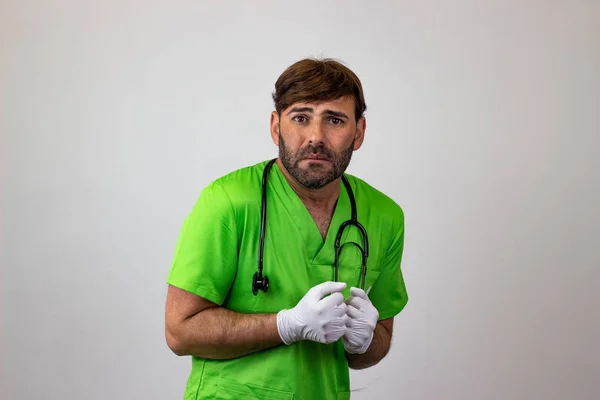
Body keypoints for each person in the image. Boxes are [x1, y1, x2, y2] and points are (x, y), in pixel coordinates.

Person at [164, 57, 409, 399]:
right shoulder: (228, 202)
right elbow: (180, 333)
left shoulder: (383, 215)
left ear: (359, 132)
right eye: (300, 117)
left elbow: (373, 348)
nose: (316, 137)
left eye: (335, 120)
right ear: (276, 127)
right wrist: (286, 325)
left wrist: (364, 340)